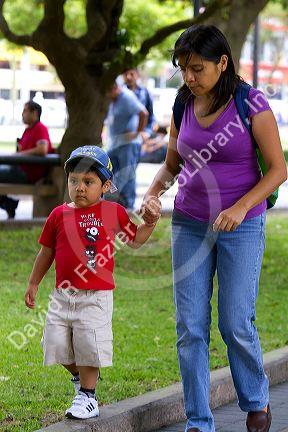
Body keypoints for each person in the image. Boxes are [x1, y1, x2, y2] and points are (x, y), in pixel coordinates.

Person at [141, 25, 287, 432]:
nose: (189, 77)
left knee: (235, 321)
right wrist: (153, 194)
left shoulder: (251, 102)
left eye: (197, 68)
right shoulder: (182, 102)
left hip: (241, 225)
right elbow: (172, 163)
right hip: (189, 222)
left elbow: (278, 170)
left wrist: (241, 208)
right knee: (190, 326)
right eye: (183, 68)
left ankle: (256, 401)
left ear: (223, 63)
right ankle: (198, 421)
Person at [24, 145, 161, 420]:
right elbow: (46, 251)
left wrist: (150, 223)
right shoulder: (58, 215)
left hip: (95, 296)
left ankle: (88, 396)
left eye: (88, 182)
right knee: (55, 343)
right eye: (74, 180)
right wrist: (33, 283)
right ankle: (80, 381)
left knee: (89, 344)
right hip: (63, 295)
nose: (80, 188)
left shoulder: (113, 212)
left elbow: (134, 239)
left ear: (106, 185)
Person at [0, 100, 53, 218]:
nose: (22, 114)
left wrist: (20, 154)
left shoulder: (40, 128)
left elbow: (43, 149)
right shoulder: (28, 130)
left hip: (27, 174)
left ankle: (9, 204)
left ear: (34, 113)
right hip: (18, 169)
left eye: (25, 111)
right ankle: (8, 203)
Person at [106, 81, 148, 209]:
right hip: (115, 143)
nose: (107, 96)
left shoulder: (126, 97)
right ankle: (114, 204)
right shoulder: (115, 100)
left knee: (128, 175)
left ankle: (128, 208)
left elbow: (143, 113)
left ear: (114, 88)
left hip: (128, 144)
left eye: (108, 92)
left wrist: (138, 132)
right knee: (110, 173)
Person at [123, 68, 155, 141]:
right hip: (123, 137)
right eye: (126, 74)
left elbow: (151, 115)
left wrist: (147, 132)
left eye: (131, 74)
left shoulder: (144, 92)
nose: (128, 77)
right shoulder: (120, 93)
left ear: (137, 76)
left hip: (140, 138)